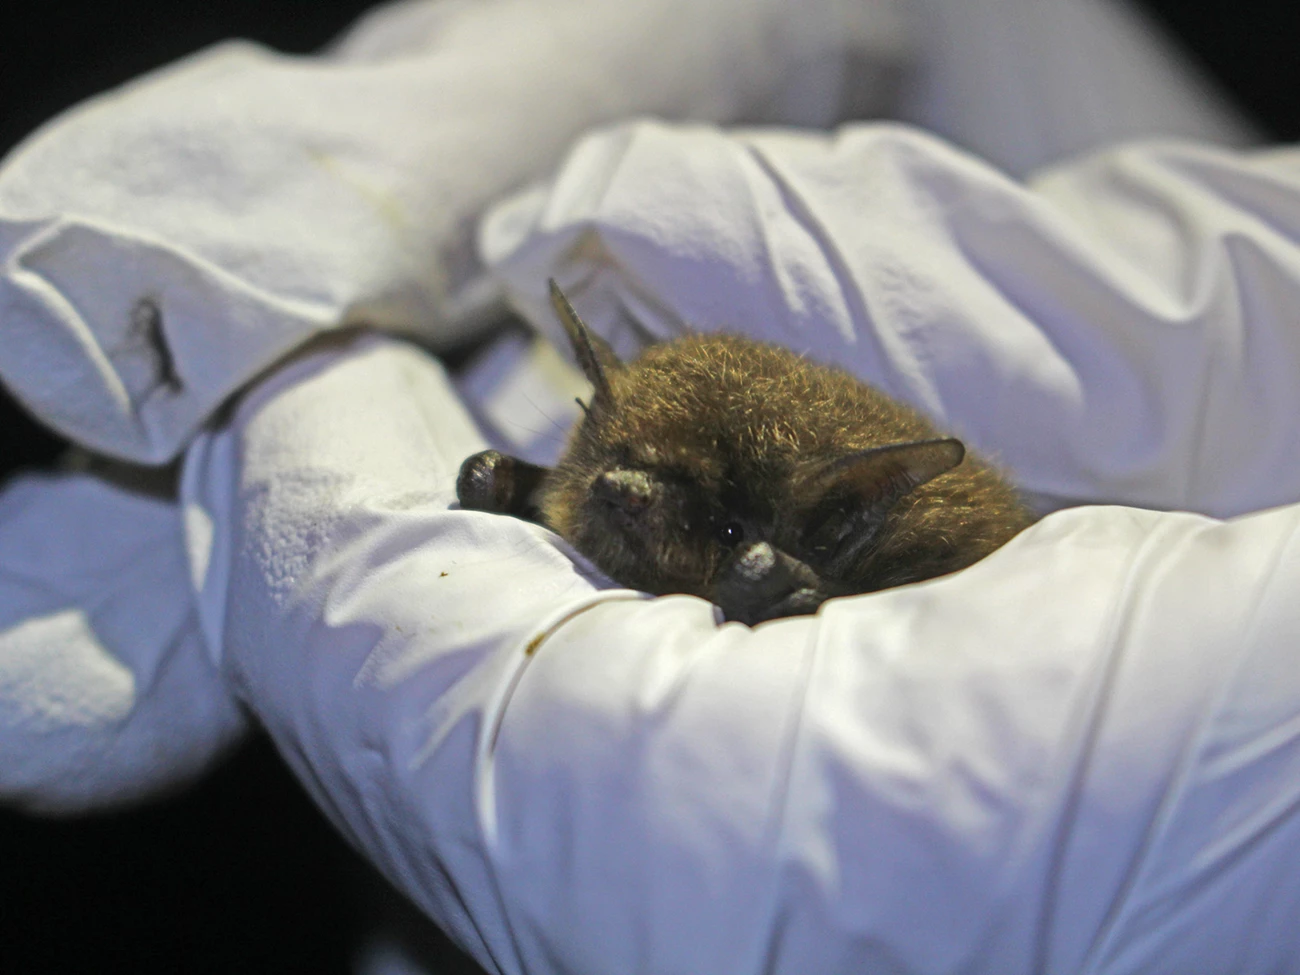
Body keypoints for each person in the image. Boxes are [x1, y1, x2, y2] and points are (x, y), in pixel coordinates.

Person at [4, 1, 1297, 972]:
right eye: (615, 471)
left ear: (822, 521)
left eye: (691, 503)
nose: (628, 499)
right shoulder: (595, 467)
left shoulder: (857, 542)